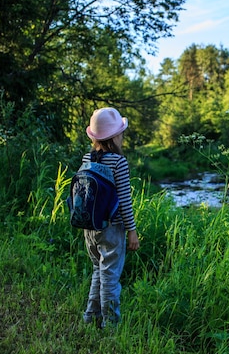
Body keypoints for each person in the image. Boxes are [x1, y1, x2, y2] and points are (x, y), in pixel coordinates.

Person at [81, 107, 140, 329]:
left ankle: (90, 317)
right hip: (112, 227)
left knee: (99, 269)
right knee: (110, 276)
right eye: (121, 133)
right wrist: (132, 231)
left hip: (90, 226)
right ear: (115, 136)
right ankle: (110, 325)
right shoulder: (118, 162)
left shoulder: (88, 157)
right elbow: (124, 199)